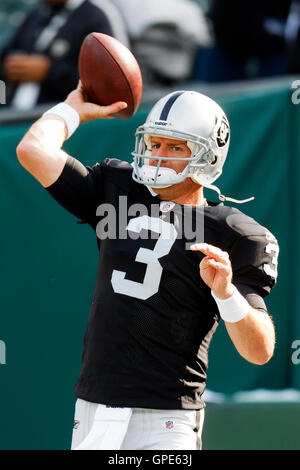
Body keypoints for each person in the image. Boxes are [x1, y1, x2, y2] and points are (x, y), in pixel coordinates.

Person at [16, 82, 279, 450]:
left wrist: (226, 293)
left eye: (174, 147)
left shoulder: (234, 233)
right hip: (95, 408)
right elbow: (32, 151)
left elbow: (259, 350)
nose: (157, 155)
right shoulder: (117, 188)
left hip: (166, 418)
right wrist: (71, 109)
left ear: (207, 156)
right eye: (154, 143)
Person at [0, 0, 128, 109]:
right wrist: (10, 69)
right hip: (17, 115)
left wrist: (49, 72)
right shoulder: (35, 14)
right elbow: (5, 58)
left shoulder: (98, 15)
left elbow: (110, 81)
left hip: (67, 119)